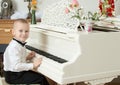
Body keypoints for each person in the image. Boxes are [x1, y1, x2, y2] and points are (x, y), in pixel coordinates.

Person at [3, 19, 50, 85]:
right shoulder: (13, 48)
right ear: (13, 32)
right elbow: (16, 66)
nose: (24, 33)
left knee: (37, 75)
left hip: (16, 73)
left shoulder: (18, 44)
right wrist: (33, 65)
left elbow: (17, 59)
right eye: (20, 31)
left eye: (26, 31)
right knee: (41, 78)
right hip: (13, 75)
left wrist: (27, 57)